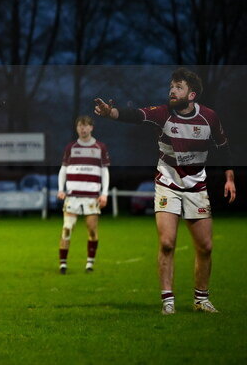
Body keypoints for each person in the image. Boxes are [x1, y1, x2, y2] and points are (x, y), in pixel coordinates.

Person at [94, 67, 236, 315]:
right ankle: (168, 300)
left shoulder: (209, 118)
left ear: (191, 95)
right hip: (167, 184)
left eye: (178, 87)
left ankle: (201, 299)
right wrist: (110, 113)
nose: (172, 90)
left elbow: (223, 147)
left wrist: (229, 177)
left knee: (206, 247)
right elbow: (133, 114)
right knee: (168, 243)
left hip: (196, 187)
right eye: (171, 86)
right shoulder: (161, 113)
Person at [55, 116, 110, 274]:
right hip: (72, 196)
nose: (83, 129)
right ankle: (63, 265)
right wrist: (61, 189)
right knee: (67, 228)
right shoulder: (70, 147)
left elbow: (105, 171)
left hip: (92, 196)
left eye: (86, 126)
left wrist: (104, 193)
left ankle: (89, 263)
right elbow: (63, 169)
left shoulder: (100, 147)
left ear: (91, 128)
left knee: (92, 230)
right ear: (77, 128)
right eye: (80, 126)